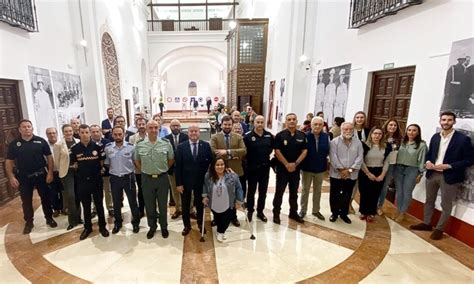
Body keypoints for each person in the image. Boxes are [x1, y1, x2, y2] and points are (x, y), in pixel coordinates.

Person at [410, 111, 473, 240]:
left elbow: (470, 159)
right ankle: (427, 223)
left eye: (449, 120)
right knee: (429, 201)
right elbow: (430, 154)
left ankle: (439, 229)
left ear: (454, 122)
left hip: (449, 176)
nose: (446, 122)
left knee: (446, 204)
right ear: (440, 121)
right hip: (432, 174)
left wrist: (449, 166)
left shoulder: (463, 139)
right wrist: (427, 162)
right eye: (444, 120)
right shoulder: (435, 137)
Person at [5, 120, 57, 234]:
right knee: (26, 201)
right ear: (19, 129)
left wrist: (50, 173)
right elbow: (9, 161)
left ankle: (49, 218)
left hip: (41, 175)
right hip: (24, 177)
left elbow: (49, 157)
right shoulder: (15, 144)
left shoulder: (41, 141)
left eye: (29, 126)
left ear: (32, 128)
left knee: (46, 198)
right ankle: (29, 222)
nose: (27, 129)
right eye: (24, 127)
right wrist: (11, 177)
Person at [134, 120, 174, 239]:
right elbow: (136, 160)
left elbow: (171, 159)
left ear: (159, 129)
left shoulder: (166, 143)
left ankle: (164, 227)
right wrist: (145, 170)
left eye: (156, 128)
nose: (153, 130)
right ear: (146, 129)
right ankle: (152, 226)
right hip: (147, 179)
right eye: (150, 128)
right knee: (149, 205)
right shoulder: (140, 144)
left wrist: (162, 169)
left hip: (162, 178)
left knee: (162, 205)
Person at [70, 124, 109, 240]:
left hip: (96, 181)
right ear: (79, 133)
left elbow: (102, 163)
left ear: (90, 133)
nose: (85, 134)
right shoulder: (75, 148)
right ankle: (87, 227)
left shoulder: (97, 147)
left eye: (87, 132)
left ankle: (102, 226)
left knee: (99, 205)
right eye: (82, 132)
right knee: (86, 206)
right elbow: (74, 165)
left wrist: (98, 172)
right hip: (82, 182)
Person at [175, 124, 212, 236]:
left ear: (199, 133)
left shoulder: (205, 145)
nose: (193, 133)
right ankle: (187, 226)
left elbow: (210, 162)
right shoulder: (181, 147)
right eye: (191, 131)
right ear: (188, 133)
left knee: (200, 204)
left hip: (201, 181)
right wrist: (179, 183)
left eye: (196, 131)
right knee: (185, 205)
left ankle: (201, 224)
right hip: (185, 182)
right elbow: (178, 166)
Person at [210, 115, 247, 227]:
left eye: (229, 124)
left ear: (232, 125)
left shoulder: (238, 137)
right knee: (219, 195)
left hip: (236, 171)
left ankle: (233, 216)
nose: (227, 126)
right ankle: (217, 217)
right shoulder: (215, 137)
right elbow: (213, 150)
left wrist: (227, 152)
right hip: (220, 171)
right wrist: (235, 155)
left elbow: (243, 151)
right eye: (225, 124)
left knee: (234, 195)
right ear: (221, 125)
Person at [272, 113, 308, 224]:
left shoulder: (302, 135)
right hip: (283, 170)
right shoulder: (280, 135)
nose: (291, 121)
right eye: (289, 119)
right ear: (286, 122)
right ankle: (276, 214)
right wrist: (287, 164)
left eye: (293, 119)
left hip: (295, 170)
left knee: (294, 193)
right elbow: (277, 151)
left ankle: (293, 213)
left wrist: (295, 164)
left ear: (297, 121)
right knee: (279, 192)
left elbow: (305, 151)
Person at [104, 126, 140, 234]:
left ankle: (136, 222)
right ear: (112, 135)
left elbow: (135, 162)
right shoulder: (108, 148)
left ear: (124, 134)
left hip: (128, 177)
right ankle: (118, 222)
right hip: (114, 178)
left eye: (120, 134)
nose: (118, 136)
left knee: (132, 201)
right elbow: (106, 163)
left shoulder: (131, 147)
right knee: (116, 202)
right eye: (115, 134)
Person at [328, 122, 363, 224]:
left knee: (347, 194)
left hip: (351, 174)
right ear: (341, 130)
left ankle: (344, 214)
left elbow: (360, 157)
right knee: (334, 194)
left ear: (353, 130)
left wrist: (350, 170)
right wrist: (341, 170)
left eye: (350, 129)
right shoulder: (334, 142)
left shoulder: (358, 143)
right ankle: (334, 213)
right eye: (346, 129)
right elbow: (333, 157)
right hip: (336, 173)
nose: (348, 131)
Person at [202, 158, 244, 242]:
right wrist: (204, 196)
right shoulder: (208, 176)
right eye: (217, 165)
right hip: (214, 203)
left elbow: (239, 188)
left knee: (226, 220)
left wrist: (239, 201)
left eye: (222, 164)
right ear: (213, 166)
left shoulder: (232, 176)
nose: (220, 167)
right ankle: (220, 231)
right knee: (217, 218)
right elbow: (205, 186)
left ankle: (220, 232)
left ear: (225, 166)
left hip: (227, 203)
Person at [393, 124, 427, 222]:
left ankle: (403, 212)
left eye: (414, 130)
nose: (411, 132)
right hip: (398, 169)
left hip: (412, 170)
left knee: (407, 192)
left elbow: (422, 160)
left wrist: (420, 174)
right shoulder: (402, 143)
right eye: (409, 130)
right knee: (399, 192)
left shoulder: (422, 145)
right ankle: (397, 210)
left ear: (418, 132)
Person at [244, 115, 274, 222]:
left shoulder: (269, 136)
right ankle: (250, 211)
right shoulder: (247, 136)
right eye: (258, 122)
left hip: (265, 168)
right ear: (254, 123)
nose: (260, 124)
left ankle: (260, 211)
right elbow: (244, 152)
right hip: (252, 168)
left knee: (263, 192)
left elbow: (271, 149)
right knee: (251, 191)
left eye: (262, 122)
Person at [299, 117, 330, 220]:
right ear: (311, 125)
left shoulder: (326, 137)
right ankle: (303, 210)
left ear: (323, 126)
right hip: (307, 168)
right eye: (315, 124)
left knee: (318, 190)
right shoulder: (305, 136)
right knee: (305, 190)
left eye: (320, 124)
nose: (317, 126)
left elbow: (328, 151)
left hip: (320, 168)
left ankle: (316, 210)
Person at [358, 127, 391, 222]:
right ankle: (363, 211)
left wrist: (382, 175)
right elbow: (361, 160)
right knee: (364, 192)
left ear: (382, 135)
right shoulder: (364, 145)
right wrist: (368, 173)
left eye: (379, 134)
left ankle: (371, 212)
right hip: (365, 171)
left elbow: (387, 162)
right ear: (371, 134)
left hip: (379, 171)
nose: (377, 136)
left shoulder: (386, 146)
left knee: (375, 193)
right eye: (375, 133)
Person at [55, 124, 82, 230]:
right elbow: (56, 160)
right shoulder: (59, 145)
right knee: (70, 196)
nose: (69, 133)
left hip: (78, 172)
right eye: (66, 131)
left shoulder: (78, 142)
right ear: (63, 132)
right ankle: (72, 220)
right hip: (66, 173)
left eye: (70, 131)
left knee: (78, 195)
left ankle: (79, 218)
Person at [165, 119, 190, 220]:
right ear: (170, 127)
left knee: (188, 190)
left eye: (177, 126)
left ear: (180, 127)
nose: (176, 127)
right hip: (172, 169)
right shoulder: (166, 139)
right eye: (173, 126)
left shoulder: (186, 137)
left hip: (185, 169)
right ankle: (178, 209)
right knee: (175, 190)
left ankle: (190, 209)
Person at [377, 119, 403, 215]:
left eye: (395, 125)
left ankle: (379, 206)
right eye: (390, 125)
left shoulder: (400, 140)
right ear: (386, 126)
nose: (392, 127)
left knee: (384, 187)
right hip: (378, 163)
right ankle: (371, 204)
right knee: (375, 185)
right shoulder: (380, 136)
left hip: (391, 165)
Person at [90, 124, 113, 216]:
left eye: (97, 131)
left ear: (100, 132)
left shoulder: (108, 142)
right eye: (93, 132)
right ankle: (95, 208)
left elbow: (110, 157)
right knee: (94, 191)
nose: (95, 134)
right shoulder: (88, 144)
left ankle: (110, 207)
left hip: (106, 171)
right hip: (94, 173)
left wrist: (104, 167)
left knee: (108, 190)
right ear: (90, 133)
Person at [129, 117, 147, 218]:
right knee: (141, 190)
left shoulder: (151, 135)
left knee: (151, 190)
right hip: (138, 169)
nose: (141, 126)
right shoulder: (132, 138)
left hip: (150, 168)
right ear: (136, 125)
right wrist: (138, 167)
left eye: (143, 124)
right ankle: (141, 209)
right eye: (139, 124)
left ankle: (152, 209)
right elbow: (132, 154)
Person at [45, 127, 63, 217]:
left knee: (63, 191)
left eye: (53, 133)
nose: (52, 135)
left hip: (62, 171)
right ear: (47, 135)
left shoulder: (62, 144)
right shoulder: (45, 146)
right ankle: (56, 209)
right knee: (52, 192)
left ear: (57, 133)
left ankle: (64, 207)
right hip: (51, 172)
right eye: (49, 133)